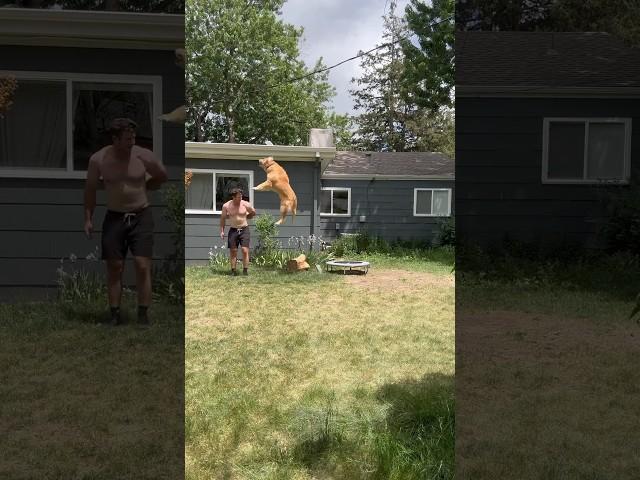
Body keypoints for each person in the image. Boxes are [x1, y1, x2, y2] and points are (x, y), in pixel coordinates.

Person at [83, 118, 168, 325]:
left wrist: (147, 186)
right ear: (115, 139)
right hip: (114, 217)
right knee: (115, 266)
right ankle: (114, 314)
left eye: (133, 138)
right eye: (127, 139)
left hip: (141, 215)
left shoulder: (143, 156)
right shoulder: (98, 160)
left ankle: (143, 314)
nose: (131, 142)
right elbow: (90, 190)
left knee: (142, 264)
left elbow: (162, 175)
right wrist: (88, 219)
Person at [220, 188, 256, 275]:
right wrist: (222, 231)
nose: (240, 198)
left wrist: (248, 217)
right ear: (233, 197)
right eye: (238, 197)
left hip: (244, 229)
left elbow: (253, 212)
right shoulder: (226, 206)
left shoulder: (246, 204)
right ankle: (233, 270)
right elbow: (223, 219)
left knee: (244, 250)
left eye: (241, 196)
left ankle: (245, 270)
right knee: (233, 250)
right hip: (233, 230)